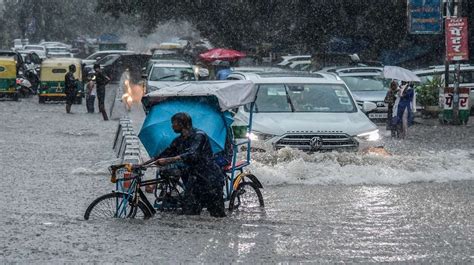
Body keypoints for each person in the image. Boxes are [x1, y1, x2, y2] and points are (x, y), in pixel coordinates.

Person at [152, 112, 226, 217]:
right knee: (190, 213)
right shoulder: (179, 140)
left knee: (217, 215)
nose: (172, 126)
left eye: (174, 123)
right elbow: (166, 153)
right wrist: (146, 163)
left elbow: (193, 154)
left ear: (182, 124)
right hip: (195, 180)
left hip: (210, 179)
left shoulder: (199, 136)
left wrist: (169, 160)